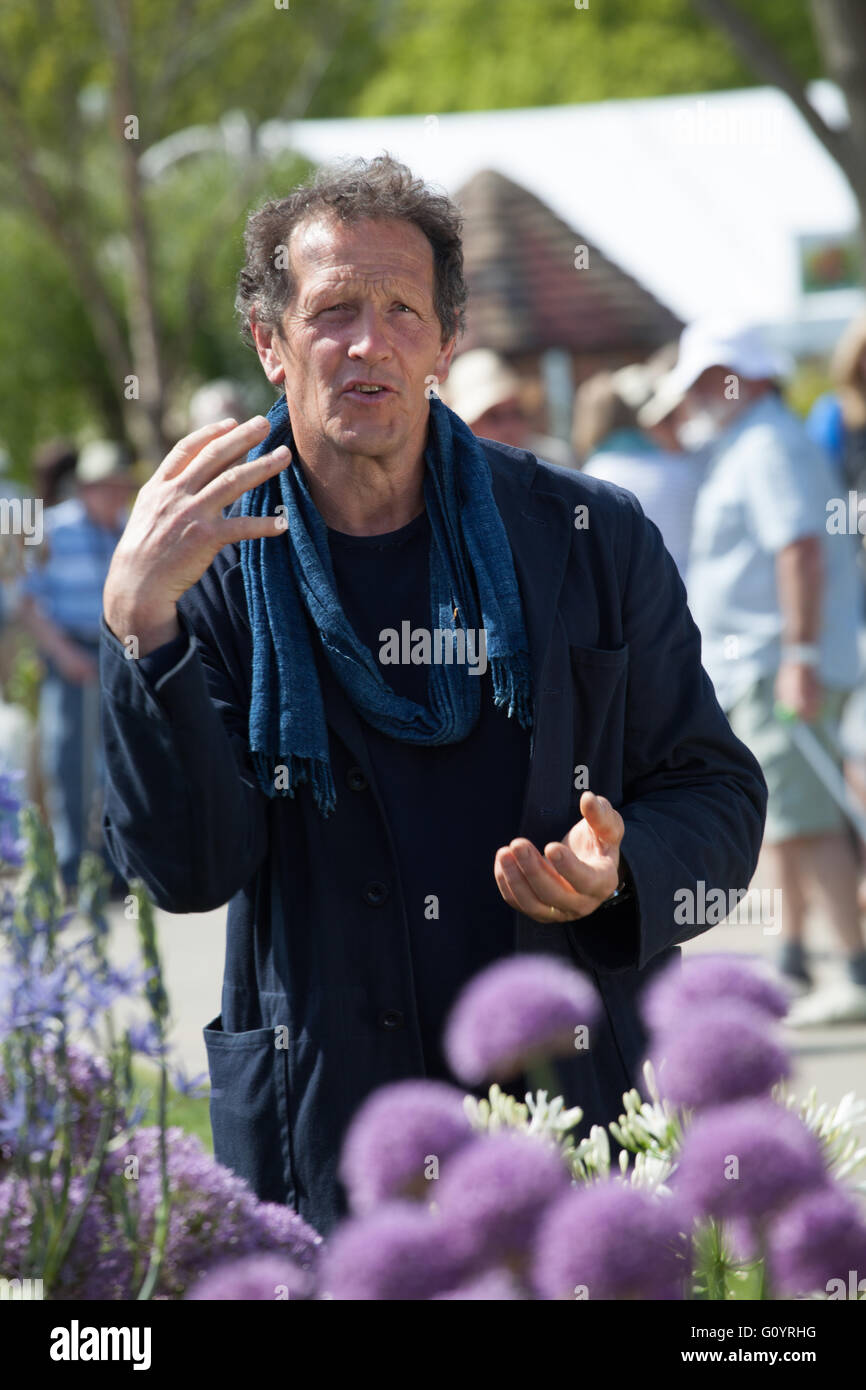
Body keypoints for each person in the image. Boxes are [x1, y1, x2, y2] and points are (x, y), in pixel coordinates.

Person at [99, 156, 766, 1235]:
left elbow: (716, 794)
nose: (368, 343)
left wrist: (623, 871)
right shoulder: (207, 571)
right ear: (270, 344)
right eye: (330, 311)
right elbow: (186, 872)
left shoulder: (587, 539)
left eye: (401, 310)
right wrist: (143, 629)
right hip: (335, 1134)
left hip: (572, 1108)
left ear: (445, 341)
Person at [674, 319, 866, 1023]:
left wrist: (800, 658)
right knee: (782, 817)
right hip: (764, 663)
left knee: (806, 818)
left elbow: (800, 552)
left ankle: (852, 966)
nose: (697, 393)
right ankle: (793, 959)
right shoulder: (760, 439)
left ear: (747, 374)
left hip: (777, 663)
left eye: (707, 376)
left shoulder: (767, 444)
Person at [20, 440, 137, 894]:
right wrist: (64, 654)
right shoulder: (48, 528)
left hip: (117, 654)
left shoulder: (129, 528)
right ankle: (71, 870)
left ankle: (113, 867)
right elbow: (27, 602)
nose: (115, 494)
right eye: (105, 487)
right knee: (67, 763)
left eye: (120, 486)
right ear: (84, 488)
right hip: (69, 654)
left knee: (119, 763)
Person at [576, 363, 704, 581]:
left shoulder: (592, 473)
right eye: (668, 416)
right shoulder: (684, 468)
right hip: (688, 593)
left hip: (630, 600)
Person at [441, 347, 576, 469]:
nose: (510, 427)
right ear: (466, 425)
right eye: (493, 416)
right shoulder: (448, 472)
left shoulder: (555, 461)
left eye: (517, 413)